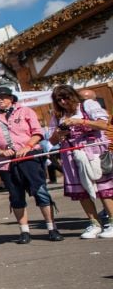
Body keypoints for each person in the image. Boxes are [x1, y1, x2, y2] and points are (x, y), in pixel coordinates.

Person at [0, 84, 61, 243]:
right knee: (16, 195)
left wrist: (27, 146)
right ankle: (24, 231)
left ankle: (52, 228)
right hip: (5, 162)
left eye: (3, 97)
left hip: (29, 157)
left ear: (11, 98)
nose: (0, 100)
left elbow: (38, 133)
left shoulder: (25, 111)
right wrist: (0, 151)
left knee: (40, 191)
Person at [48, 84, 113, 238]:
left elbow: (103, 124)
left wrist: (80, 122)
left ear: (73, 95)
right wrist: (59, 133)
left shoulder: (87, 105)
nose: (63, 102)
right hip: (72, 154)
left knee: (103, 187)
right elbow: (52, 140)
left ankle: (112, 221)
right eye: (59, 100)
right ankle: (94, 224)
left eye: (65, 97)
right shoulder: (58, 115)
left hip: (94, 151)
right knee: (82, 190)